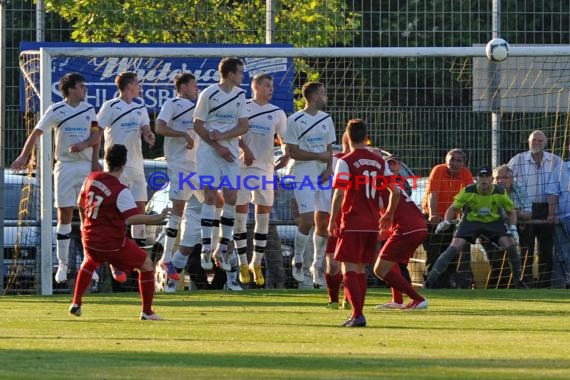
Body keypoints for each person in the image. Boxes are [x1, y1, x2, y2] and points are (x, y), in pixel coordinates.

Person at [10, 72, 101, 283]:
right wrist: (24, 156)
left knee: (88, 214)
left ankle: (89, 262)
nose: (84, 89)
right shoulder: (56, 109)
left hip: (86, 166)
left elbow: (96, 135)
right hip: (65, 166)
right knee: (64, 214)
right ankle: (63, 264)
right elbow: (36, 132)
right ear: (70, 89)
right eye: (81, 86)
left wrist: (89, 151)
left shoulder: (89, 109)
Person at [69, 144, 170, 320]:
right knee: (146, 265)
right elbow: (131, 219)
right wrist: (158, 218)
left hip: (89, 237)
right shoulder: (121, 190)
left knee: (90, 261)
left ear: (106, 160)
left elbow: (80, 204)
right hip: (112, 242)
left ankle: (76, 303)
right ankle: (147, 311)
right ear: (124, 164)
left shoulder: (91, 179)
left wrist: (85, 225)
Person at [327, 118, 392, 327]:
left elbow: (339, 193)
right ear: (366, 138)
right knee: (361, 269)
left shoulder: (346, 161)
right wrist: (388, 213)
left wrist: (332, 220)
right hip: (372, 222)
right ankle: (358, 313)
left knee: (348, 268)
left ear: (346, 137)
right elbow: (396, 191)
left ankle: (357, 314)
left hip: (352, 220)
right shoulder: (380, 162)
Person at [425, 166, 527, 289]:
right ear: (476, 179)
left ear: (491, 179)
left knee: (511, 247)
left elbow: (511, 212)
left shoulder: (499, 191)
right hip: (471, 222)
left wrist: (513, 228)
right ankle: (430, 281)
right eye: (481, 177)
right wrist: (446, 221)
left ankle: (518, 282)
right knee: (453, 249)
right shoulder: (468, 190)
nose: (484, 180)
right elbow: (453, 208)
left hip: (493, 222)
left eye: (487, 177)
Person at [97, 71, 155, 283]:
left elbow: (146, 128)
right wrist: (95, 158)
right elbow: (97, 130)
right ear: (130, 86)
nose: (140, 87)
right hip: (116, 168)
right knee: (115, 213)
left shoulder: (140, 107)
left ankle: (139, 259)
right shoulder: (110, 106)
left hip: (136, 166)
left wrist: (149, 135)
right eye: (138, 84)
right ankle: (116, 261)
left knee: (140, 209)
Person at [193, 57, 249, 273]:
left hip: (231, 153)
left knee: (231, 197)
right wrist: (217, 146)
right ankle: (206, 248)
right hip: (209, 152)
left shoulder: (240, 95)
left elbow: (244, 126)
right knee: (209, 196)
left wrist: (224, 137)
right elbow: (197, 125)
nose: (242, 76)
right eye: (240, 72)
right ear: (231, 74)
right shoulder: (208, 93)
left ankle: (222, 247)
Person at [233, 73, 288, 287]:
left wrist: (285, 153)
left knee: (263, 217)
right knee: (240, 217)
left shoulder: (277, 113)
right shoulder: (243, 106)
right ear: (254, 86)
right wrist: (244, 148)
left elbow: (285, 140)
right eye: (266, 85)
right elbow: (233, 133)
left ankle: (256, 262)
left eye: (271, 86)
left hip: (266, 170)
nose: (270, 89)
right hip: (243, 170)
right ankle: (242, 262)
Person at [284, 81, 335, 287]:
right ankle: (297, 259)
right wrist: (317, 155)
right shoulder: (295, 120)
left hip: (323, 174)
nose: (325, 97)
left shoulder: (326, 119)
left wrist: (329, 167)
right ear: (313, 97)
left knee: (323, 223)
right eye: (323, 93)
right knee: (307, 221)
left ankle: (317, 265)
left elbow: (329, 148)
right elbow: (292, 152)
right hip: (303, 172)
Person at [154, 73, 199, 280]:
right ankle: (166, 257)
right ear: (182, 87)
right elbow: (159, 127)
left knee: (217, 202)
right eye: (193, 85)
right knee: (178, 211)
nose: (196, 88)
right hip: (180, 165)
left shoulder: (200, 107)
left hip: (199, 166)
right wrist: (182, 134)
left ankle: (212, 250)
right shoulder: (172, 104)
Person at [508, 130, 562, 287]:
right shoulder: (517, 160)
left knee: (546, 248)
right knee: (526, 248)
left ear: (545, 143)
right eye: (533, 140)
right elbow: (507, 181)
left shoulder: (555, 161)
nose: (536, 143)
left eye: (539, 141)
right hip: (526, 208)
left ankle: (545, 283)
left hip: (548, 208)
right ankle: (525, 282)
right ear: (528, 141)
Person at [373, 167, 429, 311]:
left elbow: (376, 207)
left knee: (379, 270)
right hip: (418, 226)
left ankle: (418, 299)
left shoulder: (377, 183)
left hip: (406, 228)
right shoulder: (391, 183)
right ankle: (397, 301)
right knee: (392, 264)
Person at [422, 149, 474, 287]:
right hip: (435, 219)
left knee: (451, 256)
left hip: (452, 220)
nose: (455, 163)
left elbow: (469, 196)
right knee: (433, 255)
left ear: (464, 163)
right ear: (446, 160)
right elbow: (433, 194)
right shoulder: (438, 170)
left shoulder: (466, 173)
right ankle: (430, 284)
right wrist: (433, 215)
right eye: (452, 159)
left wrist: (465, 217)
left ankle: (446, 285)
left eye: (459, 160)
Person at [483, 165, 532, 288]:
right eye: (497, 178)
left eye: (504, 177)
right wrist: (513, 212)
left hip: (514, 231)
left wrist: (515, 213)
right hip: (490, 231)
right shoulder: (487, 190)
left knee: (520, 257)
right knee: (499, 261)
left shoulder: (519, 189)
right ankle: (498, 289)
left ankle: (515, 285)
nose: (500, 180)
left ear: (512, 178)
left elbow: (528, 214)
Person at [546, 153, 570, 288]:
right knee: (564, 254)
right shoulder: (561, 169)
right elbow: (554, 194)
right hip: (563, 219)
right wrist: (551, 214)